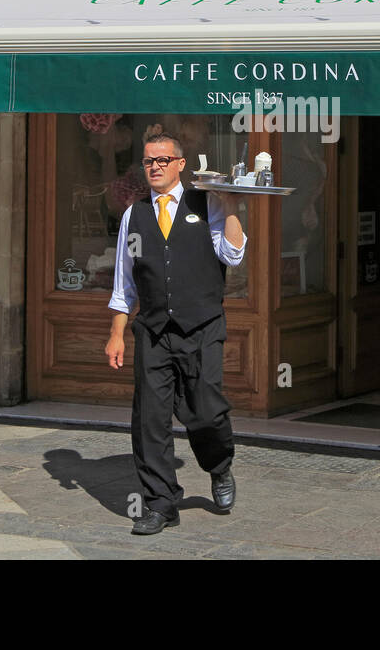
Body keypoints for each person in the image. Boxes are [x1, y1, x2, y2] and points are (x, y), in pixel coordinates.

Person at [105, 130, 246, 535]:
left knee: (205, 411)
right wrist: (116, 333)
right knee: (149, 420)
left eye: (163, 160)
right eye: (149, 161)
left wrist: (232, 206)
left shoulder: (207, 202)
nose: (155, 167)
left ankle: (219, 468)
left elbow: (233, 254)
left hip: (201, 327)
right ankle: (161, 504)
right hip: (152, 331)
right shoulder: (134, 214)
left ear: (180, 164)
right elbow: (124, 284)